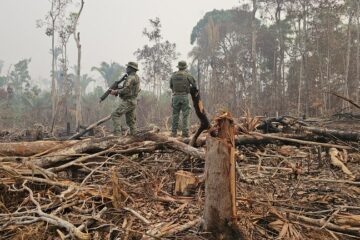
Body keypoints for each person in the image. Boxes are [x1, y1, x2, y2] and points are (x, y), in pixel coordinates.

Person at [110, 62, 140, 136]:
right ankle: (135, 136)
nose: (126, 68)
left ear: (131, 68)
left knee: (115, 114)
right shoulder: (136, 77)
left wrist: (116, 92)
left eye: (128, 67)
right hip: (133, 101)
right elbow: (130, 89)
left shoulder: (130, 78)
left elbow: (126, 90)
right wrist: (119, 89)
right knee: (131, 121)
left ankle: (117, 136)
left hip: (128, 101)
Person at [170, 61, 197, 137]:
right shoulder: (187, 75)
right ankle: (185, 133)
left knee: (175, 114)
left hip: (175, 97)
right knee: (185, 114)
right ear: (185, 67)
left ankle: (173, 132)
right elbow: (194, 85)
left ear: (178, 67)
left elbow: (171, 86)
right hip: (184, 96)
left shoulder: (173, 75)